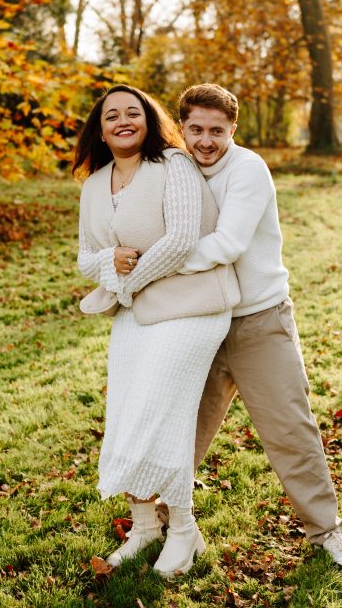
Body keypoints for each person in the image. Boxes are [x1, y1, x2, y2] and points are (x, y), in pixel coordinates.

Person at [175, 83, 342, 569]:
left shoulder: (248, 169)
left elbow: (229, 242)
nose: (206, 140)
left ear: (232, 129)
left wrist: (160, 262)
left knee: (290, 430)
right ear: (183, 128)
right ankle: (166, 523)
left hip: (260, 321)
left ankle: (326, 532)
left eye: (217, 130)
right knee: (180, 430)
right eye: (196, 129)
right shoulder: (175, 171)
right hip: (201, 324)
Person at [73, 84, 239, 576]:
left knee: (162, 414)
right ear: (100, 131)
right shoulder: (93, 184)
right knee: (127, 414)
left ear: (148, 119)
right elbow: (86, 257)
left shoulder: (174, 165)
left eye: (132, 112)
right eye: (111, 116)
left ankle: (184, 528)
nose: (122, 121)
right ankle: (145, 526)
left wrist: (127, 282)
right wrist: (109, 261)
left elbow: (183, 239)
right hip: (136, 315)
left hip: (192, 308)